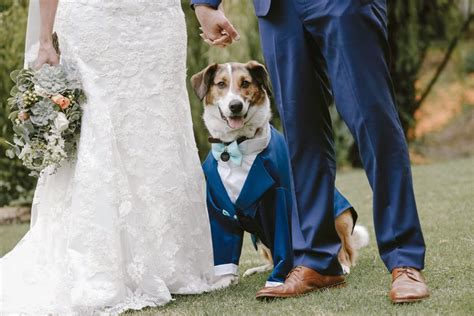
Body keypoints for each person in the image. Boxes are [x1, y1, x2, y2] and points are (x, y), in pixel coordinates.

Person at [193, 0, 429, 303]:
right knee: (301, 135)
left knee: (374, 122)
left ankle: (404, 259)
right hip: (278, 9)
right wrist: (206, 3)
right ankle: (317, 261)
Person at [0, 0, 216, 314]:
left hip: (158, 21)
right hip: (94, 20)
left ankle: (170, 262)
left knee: (159, 127)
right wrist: (44, 39)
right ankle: (100, 267)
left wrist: (205, 8)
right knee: (97, 130)